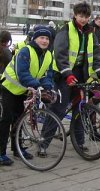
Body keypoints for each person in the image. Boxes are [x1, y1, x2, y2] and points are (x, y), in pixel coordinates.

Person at [41, 1, 100, 156]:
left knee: (80, 109)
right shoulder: (66, 29)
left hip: (81, 75)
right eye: (80, 16)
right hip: (64, 75)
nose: (83, 19)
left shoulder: (90, 33)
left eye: (86, 16)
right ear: (75, 15)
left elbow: (97, 54)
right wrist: (67, 74)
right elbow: (60, 54)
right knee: (58, 109)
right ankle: (43, 142)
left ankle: (79, 142)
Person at [0, 26, 53, 166]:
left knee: (19, 120)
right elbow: (22, 73)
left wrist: (47, 86)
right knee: (7, 119)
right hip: (9, 87)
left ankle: (17, 149)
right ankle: (1, 153)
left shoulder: (48, 55)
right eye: (41, 37)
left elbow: (48, 74)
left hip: (24, 90)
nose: (45, 40)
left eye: (47, 38)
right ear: (35, 39)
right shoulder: (25, 51)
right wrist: (37, 85)